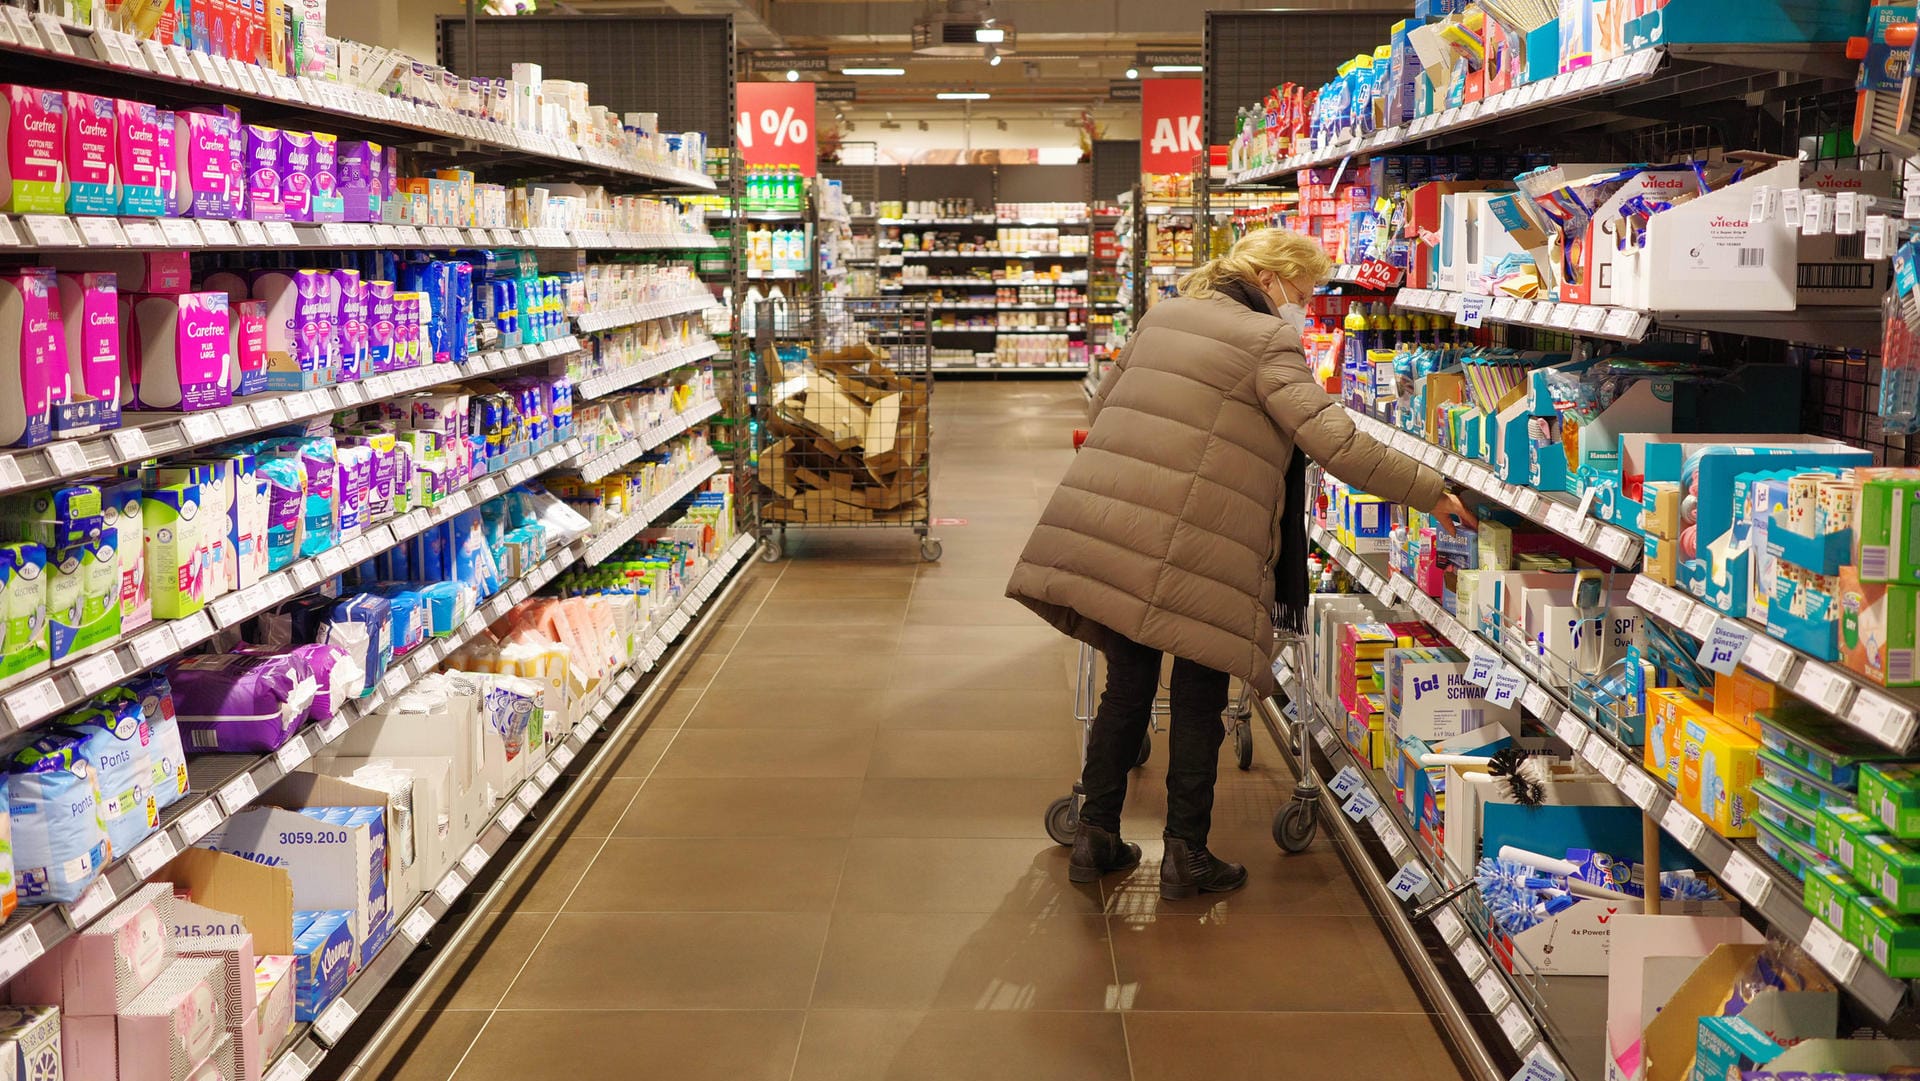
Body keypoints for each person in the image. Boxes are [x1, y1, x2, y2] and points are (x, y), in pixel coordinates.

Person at [1006, 229, 1475, 900]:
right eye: (1305, 292)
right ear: (1269, 279)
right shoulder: (1267, 342)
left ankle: (1096, 833)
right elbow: (1335, 440)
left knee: (1127, 683)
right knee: (1199, 692)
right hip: (1200, 540)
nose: (1305, 308)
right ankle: (1185, 854)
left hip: (1121, 525)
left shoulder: (1162, 314)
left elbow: (1105, 408)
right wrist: (1431, 490)